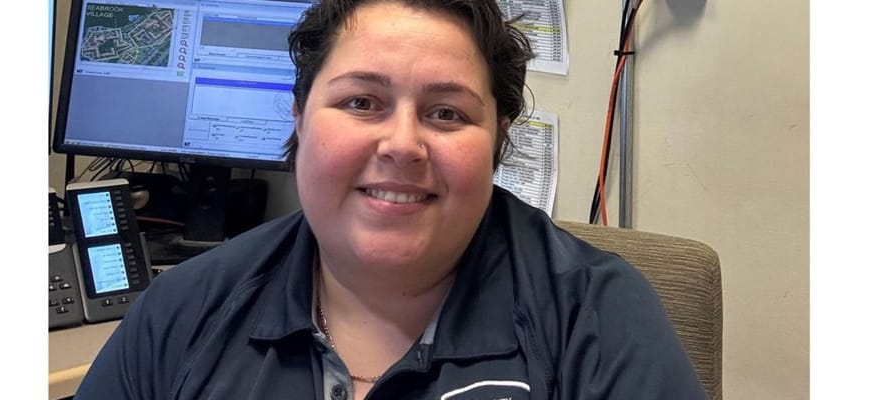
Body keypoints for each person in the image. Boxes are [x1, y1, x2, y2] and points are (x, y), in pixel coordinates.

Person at [75, 0, 707, 399]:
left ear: (497, 142)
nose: (403, 144)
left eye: (446, 112)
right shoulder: (187, 309)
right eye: (360, 102)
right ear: (299, 119)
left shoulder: (597, 318)